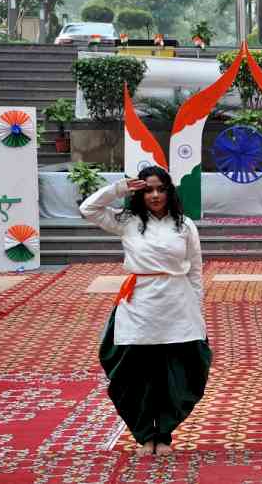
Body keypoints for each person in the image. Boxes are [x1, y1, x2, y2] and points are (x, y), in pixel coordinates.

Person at [80, 166, 211, 456]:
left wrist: (196, 308)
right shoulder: (127, 221)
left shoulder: (185, 225)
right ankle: (144, 434)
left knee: (181, 372)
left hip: (178, 304)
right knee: (132, 374)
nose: (155, 195)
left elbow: (196, 270)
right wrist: (119, 188)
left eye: (160, 189)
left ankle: (163, 433)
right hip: (139, 305)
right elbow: (88, 208)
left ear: (169, 191)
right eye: (148, 189)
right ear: (139, 192)